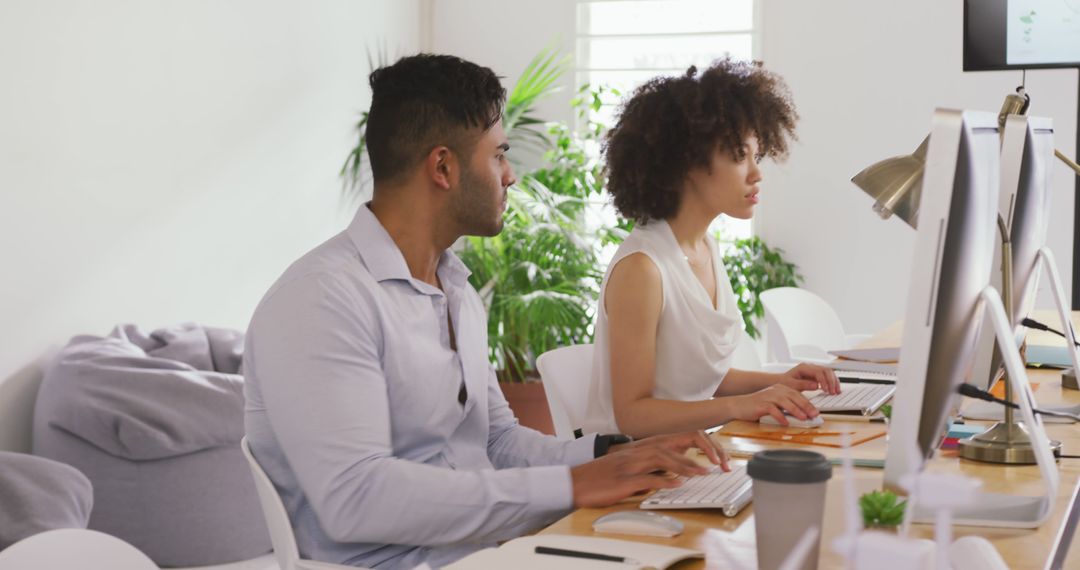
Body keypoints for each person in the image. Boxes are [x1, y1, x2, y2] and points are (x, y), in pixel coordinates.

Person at [242, 54, 729, 570]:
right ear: (443, 167)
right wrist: (570, 484)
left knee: (699, 545)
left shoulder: (455, 288)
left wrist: (611, 455)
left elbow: (495, 440)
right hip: (406, 563)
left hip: (488, 551)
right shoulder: (321, 300)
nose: (511, 175)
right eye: (499, 155)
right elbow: (356, 500)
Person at [582, 59, 842, 439]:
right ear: (688, 162)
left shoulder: (704, 248)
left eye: (757, 156)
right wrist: (741, 406)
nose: (756, 173)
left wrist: (779, 380)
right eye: (740, 156)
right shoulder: (643, 268)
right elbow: (632, 416)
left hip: (691, 456)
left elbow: (701, 383)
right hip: (634, 470)